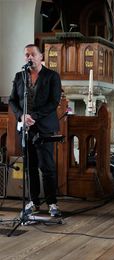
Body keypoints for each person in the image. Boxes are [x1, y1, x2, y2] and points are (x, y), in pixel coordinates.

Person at [9, 44, 62, 217]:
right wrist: (21, 116)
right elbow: (12, 101)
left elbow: (54, 102)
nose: (29, 57)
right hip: (25, 129)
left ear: (41, 57)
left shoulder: (52, 76)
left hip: (44, 128)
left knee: (47, 167)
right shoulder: (20, 76)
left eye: (32, 54)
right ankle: (33, 201)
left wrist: (34, 116)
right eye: (26, 55)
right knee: (30, 167)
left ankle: (52, 203)